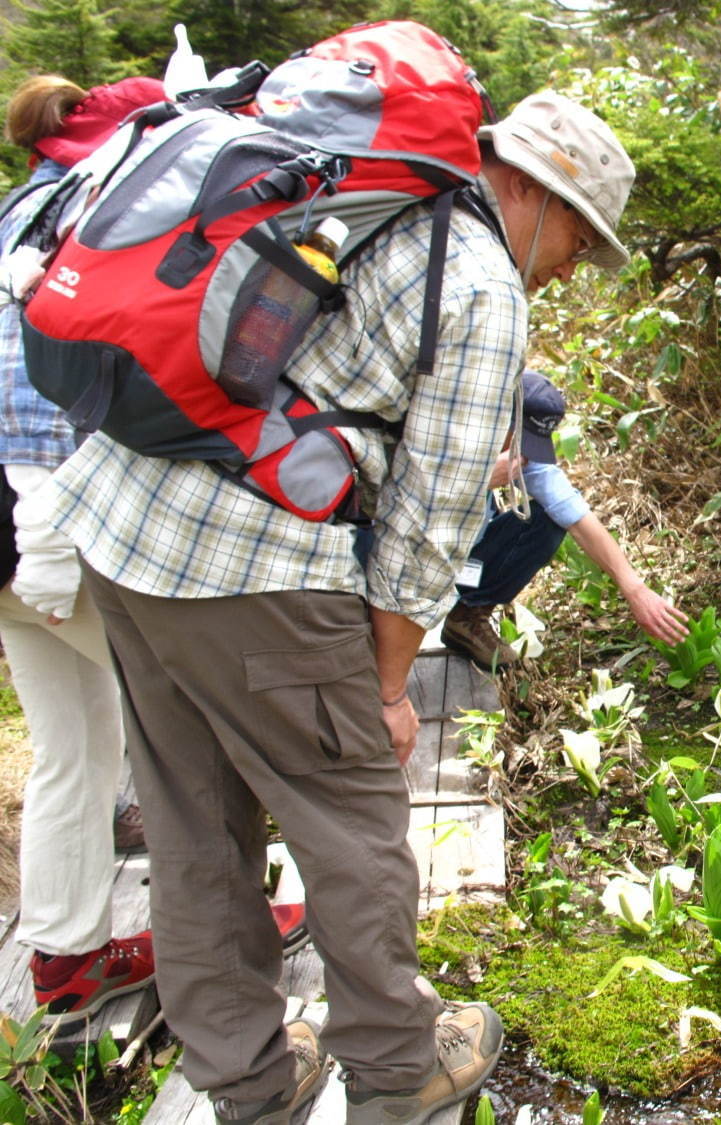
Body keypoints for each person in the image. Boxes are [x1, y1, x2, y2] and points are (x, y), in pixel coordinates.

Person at [37, 87, 634, 1123]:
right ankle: (402, 1072)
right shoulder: (481, 277)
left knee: (190, 825)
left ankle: (253, 1082)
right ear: (539, 191)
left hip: (123, 529)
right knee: (355, 822)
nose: (577, 266)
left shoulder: (355, 197)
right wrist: (390, 684)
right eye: (584, 240)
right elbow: (435, 516)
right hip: (251, 561)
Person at [0, 74, 310, 1028]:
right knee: (230, 717)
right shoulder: (121, 210)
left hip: (2, 523)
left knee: (72, 743)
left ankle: (66, 958)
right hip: (70, 515)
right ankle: (254, 920)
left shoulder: (20, 211)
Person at [441, 370, 690, 667]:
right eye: (520, 438)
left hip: (466, 553)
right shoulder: (444, 425)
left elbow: (577, 518)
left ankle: (468, 616)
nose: (524, 454)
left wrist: (635, 590)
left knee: (547, 520)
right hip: (414, 558)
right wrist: (474, 479)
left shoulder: (522, 457)